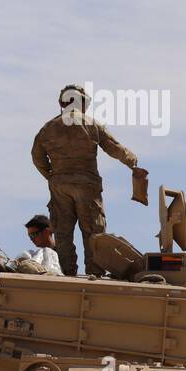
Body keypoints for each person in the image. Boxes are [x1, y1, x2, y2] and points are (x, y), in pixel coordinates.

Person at [31, 84, 147, 276]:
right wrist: (132, 162)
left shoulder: (48, 128)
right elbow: (114, 148)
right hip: (87, 185)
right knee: (93, 232)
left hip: (60, 185)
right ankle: (94, 274)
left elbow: (36, 157)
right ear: (83, 103)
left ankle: (68, 274)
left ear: (62, 103)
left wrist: (53, 176)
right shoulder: (91, 124)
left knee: (63, 233)